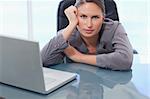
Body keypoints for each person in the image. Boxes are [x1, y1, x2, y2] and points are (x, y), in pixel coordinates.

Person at [41, 0, 133, 70]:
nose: (89, 24)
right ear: (76, 16)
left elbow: (126, 60)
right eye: (83, 16)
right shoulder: (67, 34)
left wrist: (78, 57)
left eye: (95, 17)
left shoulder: (115, 28)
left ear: (103, 18)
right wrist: (72, 24)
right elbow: (42, 60)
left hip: (109, 84)